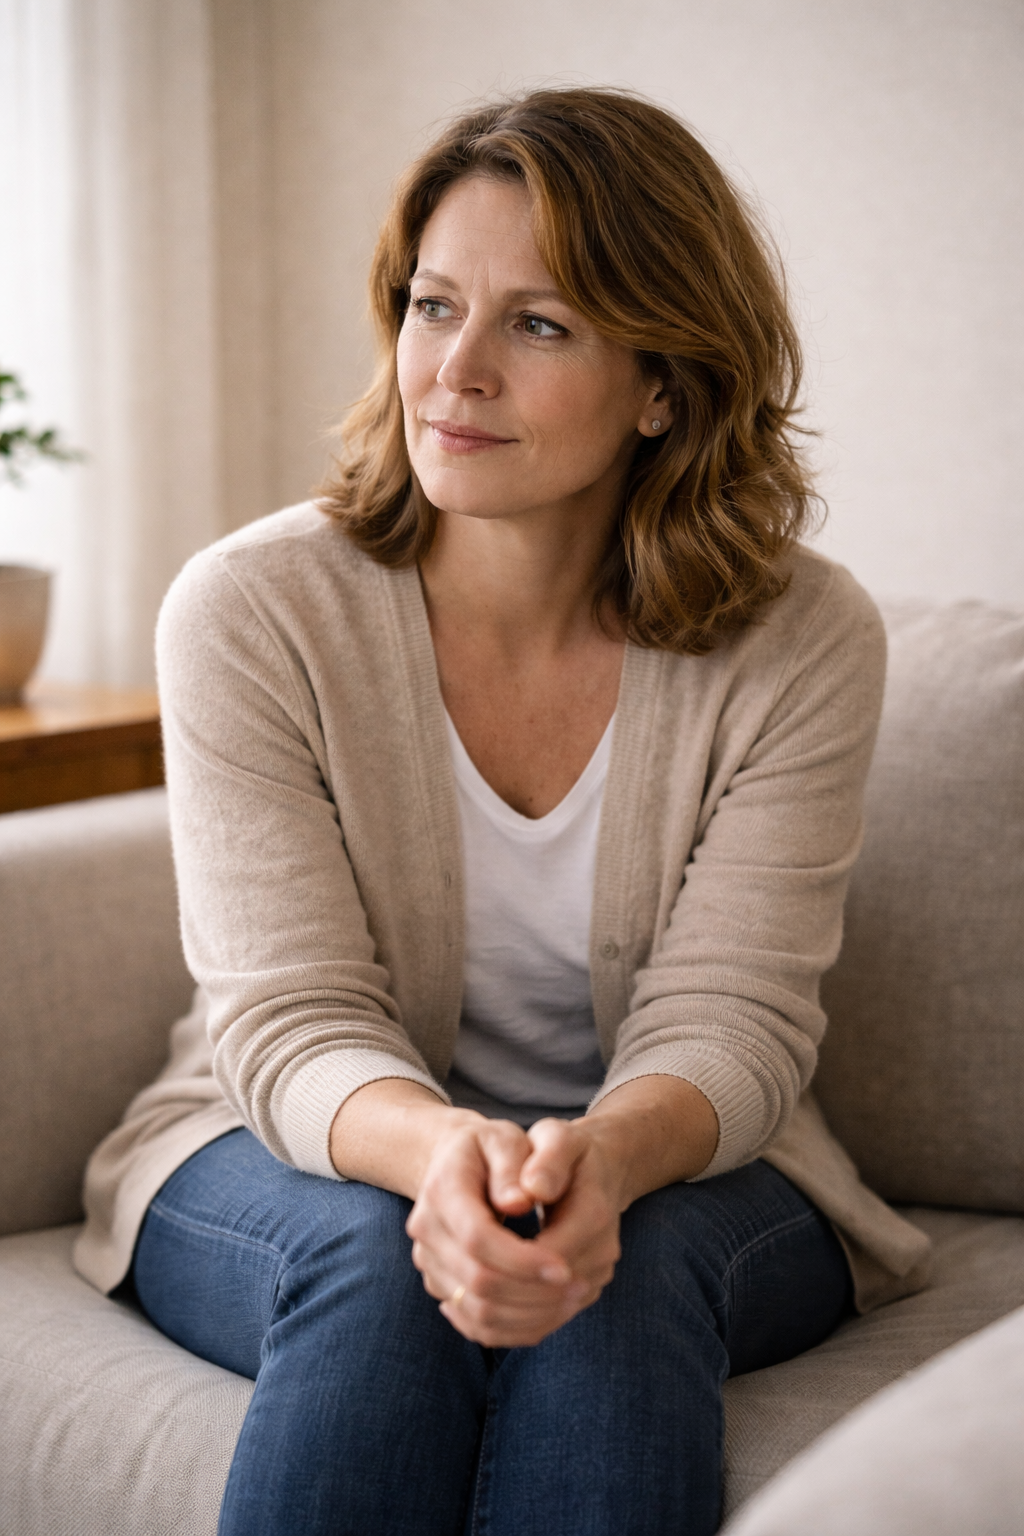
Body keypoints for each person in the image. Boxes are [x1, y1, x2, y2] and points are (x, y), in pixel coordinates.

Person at [74, 88, 931, 1536]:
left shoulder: (802, 639)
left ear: (665, 382)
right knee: (376, 1266)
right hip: (301, 1142)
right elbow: (285, 1014)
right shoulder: (251, 611)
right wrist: (446, 1158)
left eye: (540, 324)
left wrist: (590, 1165)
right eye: (432, 306)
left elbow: (739, 1019)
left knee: (614, 1268)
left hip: (685, 1166)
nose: (452, 372)